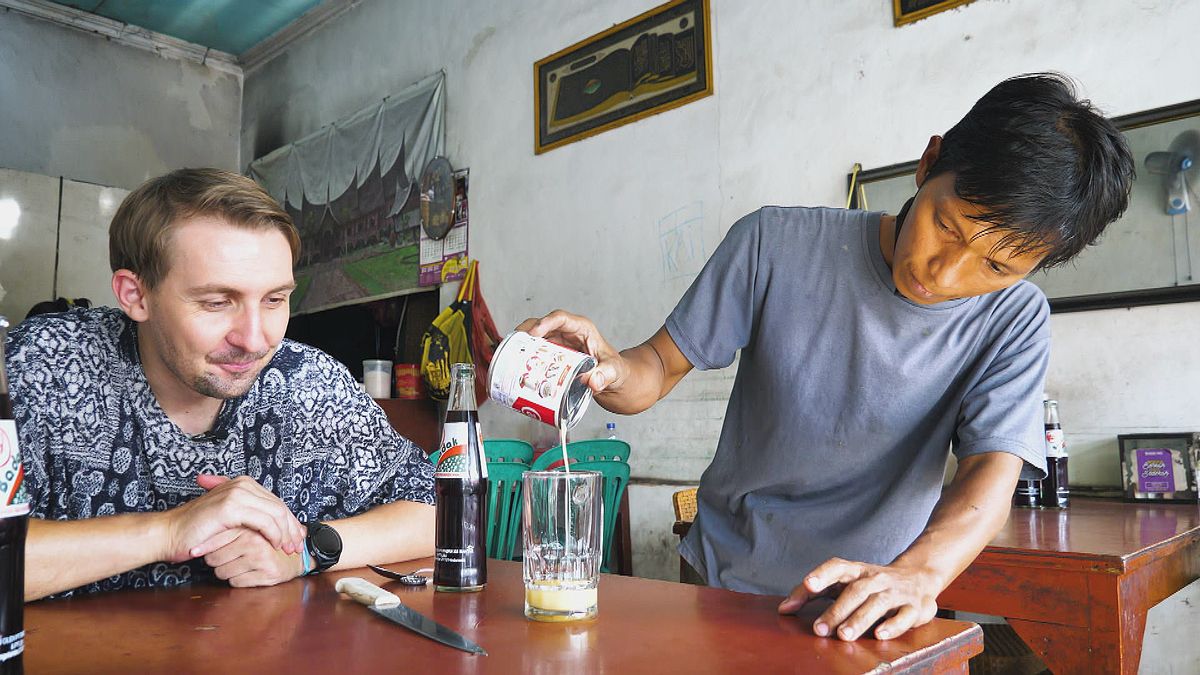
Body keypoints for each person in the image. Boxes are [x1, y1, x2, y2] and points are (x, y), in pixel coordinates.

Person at [519, 74, 1134, 641]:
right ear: (928, 164)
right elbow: (649, 372)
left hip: (868, 607)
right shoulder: (773, 244)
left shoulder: (1013, 319)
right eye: (949, 227)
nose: (946, 273)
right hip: (723, 585)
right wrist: (603, 365)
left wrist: (919, 576)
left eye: (997, 266)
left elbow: (989, 476)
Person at [5, 168, 435, 600]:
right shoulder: (39, 369)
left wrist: (305, 549)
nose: (254, 339)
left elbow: (441, 512)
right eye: (216, 302)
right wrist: (170, 530)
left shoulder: (308, 385)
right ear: (135, 295)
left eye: (274, 300)